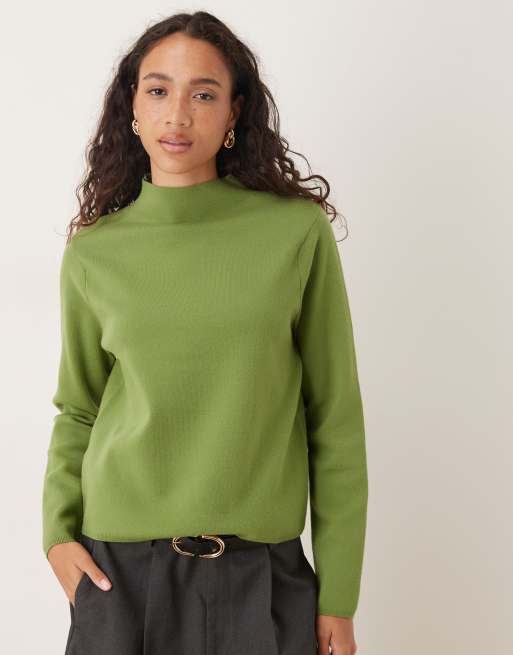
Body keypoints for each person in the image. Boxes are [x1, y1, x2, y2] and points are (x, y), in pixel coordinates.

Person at [42, 10, 368, 655]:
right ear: (132, 108)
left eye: (204, 94)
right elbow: (79, 407)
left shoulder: (294, 233)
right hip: (117, 574)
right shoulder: (95, 252)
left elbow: (334, 418)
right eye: (158, 90)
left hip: (262, 574)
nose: (178, 115)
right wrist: (56, 535)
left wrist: (339, 594)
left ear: (233, 112)